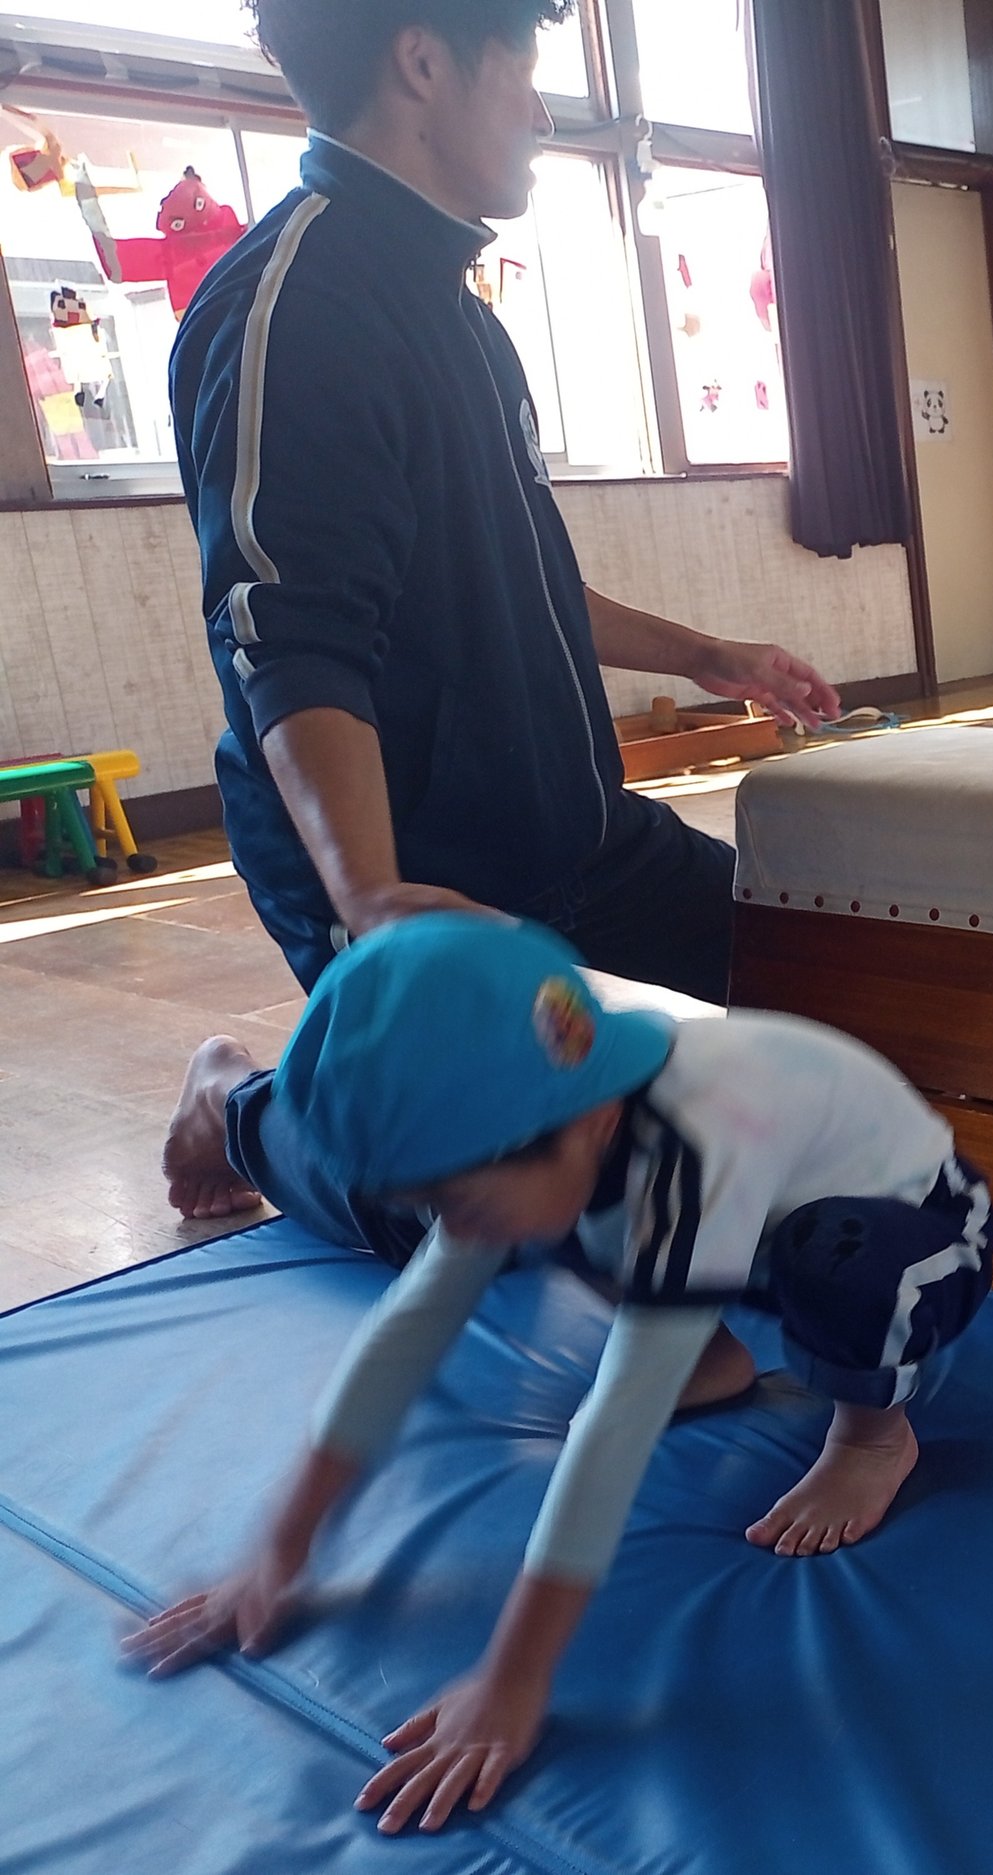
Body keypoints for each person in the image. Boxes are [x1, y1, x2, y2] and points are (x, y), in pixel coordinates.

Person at [164, 0, 842, 1226]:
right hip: (422, 877)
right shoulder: (296, 309)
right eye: (524, 72)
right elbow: (288, 635)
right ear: (423, 60)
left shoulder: (461, 314)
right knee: (502, 1215)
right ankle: (239, 1101)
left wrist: (708, 654)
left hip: (578, 838)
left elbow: (519, 579)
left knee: (841, 995)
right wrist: (374, 900)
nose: (539, 112)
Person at [126, 917, 993, 1835]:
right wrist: (280, 1546)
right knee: (559, 1217)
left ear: (590, 1119)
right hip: (749, 1219)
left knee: (834, 1261)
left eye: (456, 1199)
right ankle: (706, 1349)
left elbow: (615, 1424)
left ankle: (873, 1434)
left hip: (912, 1231)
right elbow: (406, 1331)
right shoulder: (550, 1124)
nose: (452, 1224)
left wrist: (512, 1677)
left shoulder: (695, 1142)